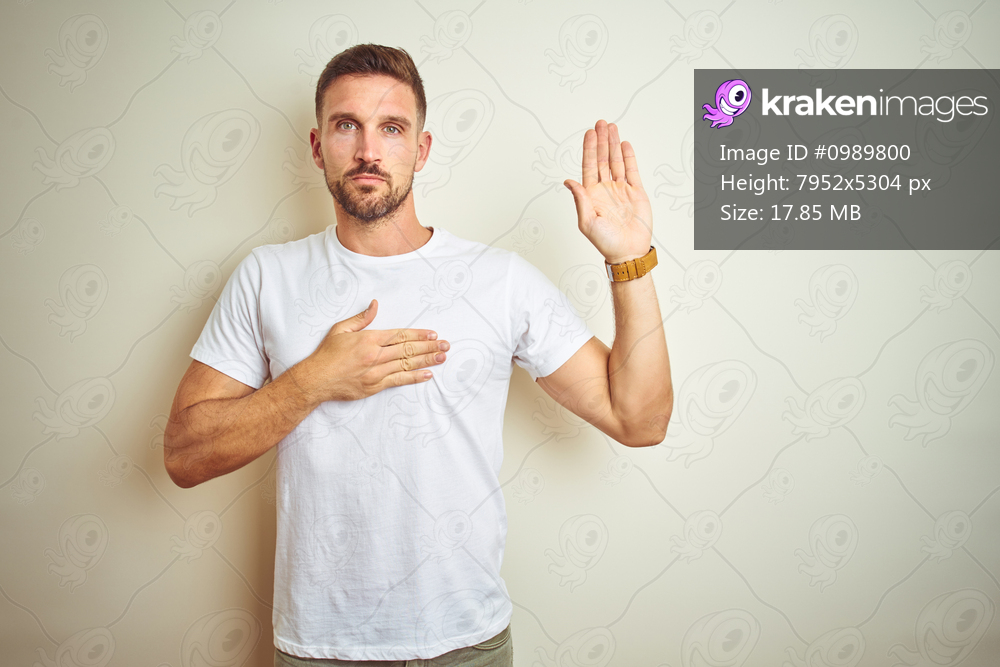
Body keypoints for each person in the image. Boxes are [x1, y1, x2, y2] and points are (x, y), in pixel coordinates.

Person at [164, 44, 673, 666]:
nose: (368, 150)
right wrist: (313, 381)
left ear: (422, 149)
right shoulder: (267, 276)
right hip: (320, 648)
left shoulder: (500, 281)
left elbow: (640, 420)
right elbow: (184, 456)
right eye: (346, 125)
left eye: (392, 128)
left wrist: (630, 260)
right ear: (318, 147)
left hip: (465, 645)